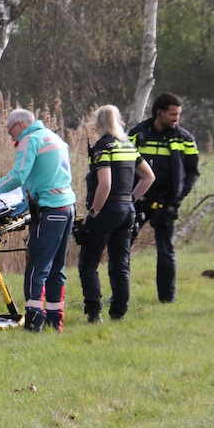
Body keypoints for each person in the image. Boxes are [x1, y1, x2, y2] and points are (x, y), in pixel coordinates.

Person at [0, 108, 76, 332]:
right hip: (66, 207)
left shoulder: (30, 139)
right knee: (56, 268)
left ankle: (34, 321)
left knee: (37, 268)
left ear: (20, 124)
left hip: (49, 210)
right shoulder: (53, 137)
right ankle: (55, 321)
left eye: (10, 131)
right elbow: (44, 175)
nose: (11, 136)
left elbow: (19, 175)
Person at [77, 105, 155, 323]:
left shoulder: (103, 147)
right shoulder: (128, 146)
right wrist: (130, 199)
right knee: (121, 264)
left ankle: (94, 312)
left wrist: (94, 212)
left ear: (98, 124)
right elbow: (149, 177)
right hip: (127, 211)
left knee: (88, 263)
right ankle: (119, 312)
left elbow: (105, 184)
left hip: (106, 210)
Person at [128, 92, 201, 303]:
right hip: (138, 200)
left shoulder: (184, 138)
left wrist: (178, 199)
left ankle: (167, 299)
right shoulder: (136, 134)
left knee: (166, 252)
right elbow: (122, 166)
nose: (176, 118)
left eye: (178, 114)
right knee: (122, 246)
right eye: (172, 114)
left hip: (168, 202)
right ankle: (120, 297)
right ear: (159, 113)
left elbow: (193, 172)